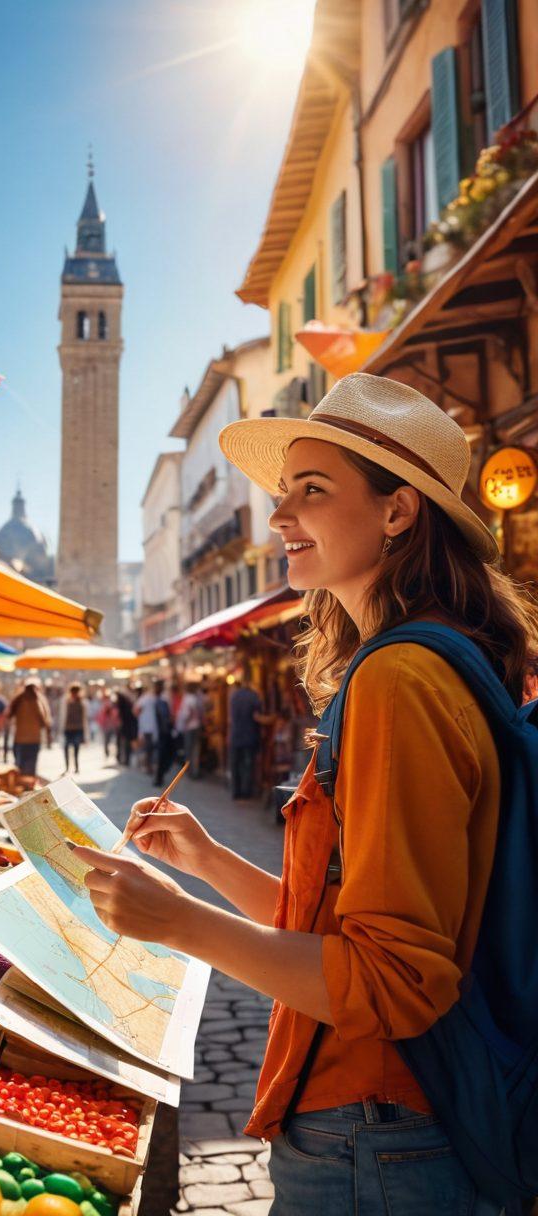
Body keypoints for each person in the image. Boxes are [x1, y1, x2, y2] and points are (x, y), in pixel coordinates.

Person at [73, 374, 533, 1215]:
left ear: (398, 512)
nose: (279, 518)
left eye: (311, 493)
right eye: (284, 494)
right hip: (391, 1132)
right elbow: (347, 921)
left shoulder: (400, 677)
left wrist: (175, 923)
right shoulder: (433, 659)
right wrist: (207, 860)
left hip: (379, 1137)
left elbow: (391, 982)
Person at [228, 677, 264, 799]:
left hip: (236, 734)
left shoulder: (234, 696)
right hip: (250, 735)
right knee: (248, 765)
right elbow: (257, 716)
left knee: (235, 764)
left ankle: (236, 792)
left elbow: (231, 717)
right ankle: (246, 792)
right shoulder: (254, 696)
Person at [7, 680, 51, 777]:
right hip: (34, 739)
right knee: (31, 768)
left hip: (19, 739)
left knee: (19, 767)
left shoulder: (18, 699)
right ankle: (29, 788)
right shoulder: (38, 700)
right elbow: (44, 720)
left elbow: (8, 714)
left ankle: (20, 787)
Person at [175, 681, 204, 779]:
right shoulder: (196, 698)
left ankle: (189, 771)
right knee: (195, 749)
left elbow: (187, 714)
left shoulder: (188, 699)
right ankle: (195, 770)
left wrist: (182, 724)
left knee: (189, 750)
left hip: (189, 727)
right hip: (197, 726)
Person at [60, 682, 88, 773]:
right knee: (66, 748)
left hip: (77, 728)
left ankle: (76, 767)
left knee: (76, 748)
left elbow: (84, 718)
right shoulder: (66, 701)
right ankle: (67, 767)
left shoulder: (82, 702)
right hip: (68, 728)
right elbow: (62, 715)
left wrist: (84, 733)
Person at [153, 679, 174, 787]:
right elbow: (164, 718)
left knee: (162, 756)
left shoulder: (161, 699)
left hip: (162, 732)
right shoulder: (161, 700)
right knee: (162, 756)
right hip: (162, 733)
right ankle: (159, 778)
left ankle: (159, 777)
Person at [134, 682, 158, 773]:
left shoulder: (144, 699)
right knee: (149, 747)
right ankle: (148, 765)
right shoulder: (152, 698)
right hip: (151, 726)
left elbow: (135, 711)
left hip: (146, 727)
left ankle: (147, 765)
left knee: (147, 748)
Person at [114, 688, 137, 766]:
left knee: (123, 743)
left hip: (125, 727)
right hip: (127, 727)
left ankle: (123, 759)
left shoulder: (123, 706)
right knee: (125, 744)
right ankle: (125, 759)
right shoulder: (127, 704)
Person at [97, 689, 119, 759]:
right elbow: (101, 715)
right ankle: (108, 753)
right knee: (107, 740)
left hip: (112, 725)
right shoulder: (103, 705)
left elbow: (115, 714)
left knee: (112, 740)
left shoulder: (111, 704)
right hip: (107, 725)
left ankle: (114, 753)